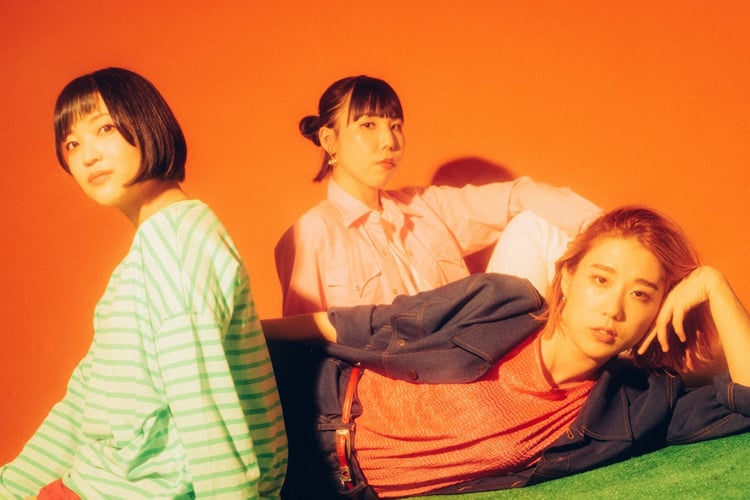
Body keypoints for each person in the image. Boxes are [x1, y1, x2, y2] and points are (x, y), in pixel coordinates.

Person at [262, 206, 749, 499]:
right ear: (567, 277)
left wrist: (714, 284)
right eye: (601, 280)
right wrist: (244, 337)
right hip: (301, 402)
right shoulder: (500, 301)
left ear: (658, 309)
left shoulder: (640, 405)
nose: (614, 309)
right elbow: (357, 324)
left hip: (326, 488)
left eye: (641, 294)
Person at [0, 68, 287, 499]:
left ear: (147, 123)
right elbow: (83, 403)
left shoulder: (175, 242)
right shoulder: (149, 252)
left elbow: (204, 404)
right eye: (72, 143)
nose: (87, 155)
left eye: (104, 129)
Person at [274, 74, 602, 316]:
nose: (389, 141)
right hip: (394, 378)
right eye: (368, 125)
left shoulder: (425, 208)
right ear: (329, 140)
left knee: (536, 224)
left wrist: (614, 237)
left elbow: (519, 194)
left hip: (474, 352)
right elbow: (302, 348)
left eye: (395, 126)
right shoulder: (312, 233)